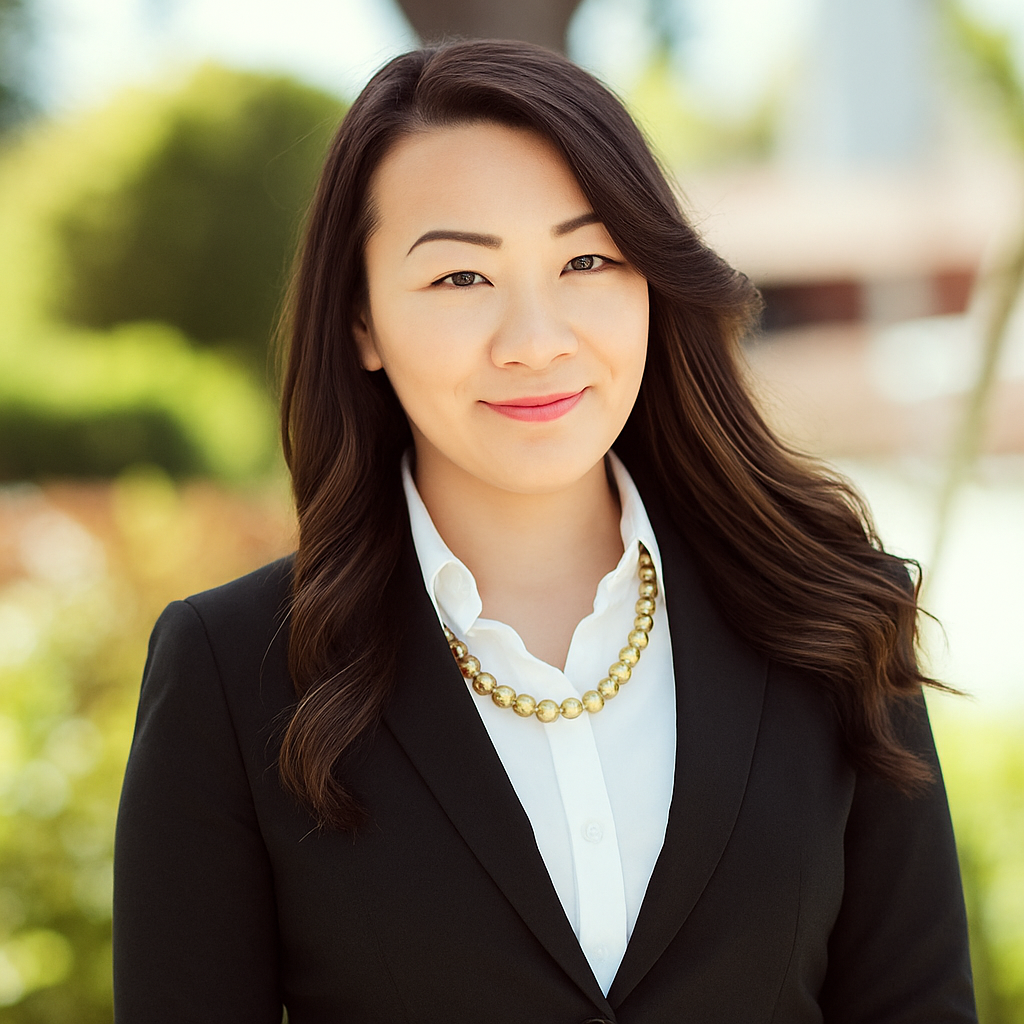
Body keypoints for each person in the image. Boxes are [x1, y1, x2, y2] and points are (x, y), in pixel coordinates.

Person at [112, 39, 977, 1024]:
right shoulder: (232, 672)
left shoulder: (831, 611)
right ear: (359, 319)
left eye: (587, 259)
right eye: (459, 279)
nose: (535, 339)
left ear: (650, 275)